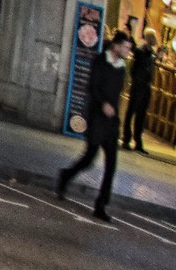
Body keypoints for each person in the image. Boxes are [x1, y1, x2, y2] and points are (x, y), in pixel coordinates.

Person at [57, 29, 133, 220]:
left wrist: (114, 113)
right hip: (97, 118)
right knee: (89, 158)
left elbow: (117, 93)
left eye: (129, 48)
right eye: (125, 47)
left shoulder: (122, 67)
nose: (127, 51)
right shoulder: (100, 61)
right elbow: (93, 86)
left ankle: (101, 205)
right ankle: (66, 175)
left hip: (111, 122)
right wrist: (103, 104)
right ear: (116, 46)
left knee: (111, 164)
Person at [122, 28, 159, 151]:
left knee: (141, 115)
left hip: (145, 86)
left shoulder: (150, 52)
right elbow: (134, 67)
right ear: (149, 38)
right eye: (153, 37)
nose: (155, 40)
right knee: (132, 112)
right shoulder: (141, 51)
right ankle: (127, 139)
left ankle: (137, 140)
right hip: (138, 86)